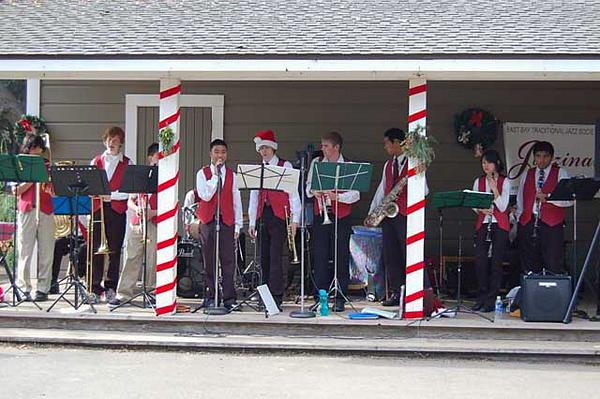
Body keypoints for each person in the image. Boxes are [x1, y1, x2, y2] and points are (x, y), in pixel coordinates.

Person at [367, 128, 428, 306]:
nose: (385, 147)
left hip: (406, 215)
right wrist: (373, 212)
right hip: (388, 215)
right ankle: (396, 292)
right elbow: (382, 189)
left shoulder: (414, 163)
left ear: (396, 143)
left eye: (387, 143)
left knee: (409, 254)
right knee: (391, 256)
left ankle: (418, 294)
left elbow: (424, 190)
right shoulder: (388, 165)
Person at [247, 130, 301, 310]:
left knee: (276, 257)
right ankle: (264, 295)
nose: (264, 151)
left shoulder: (285, 166)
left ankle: (276, 295)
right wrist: (253, 221)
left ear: (273, 148)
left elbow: (293, 194)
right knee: (264, 258)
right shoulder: (258, 168)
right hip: (264, 215)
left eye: (266, 148)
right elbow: (254, 196)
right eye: (261, 148)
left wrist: (295, 219)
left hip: (280, 215)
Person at [306, 131, 359, 312]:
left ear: (336, 147)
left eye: (326, 146)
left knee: (340, 256)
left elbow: (355, 195)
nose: (323, 149)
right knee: (319, 256)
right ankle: (320, 295)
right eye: (322, 145)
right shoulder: (316, 163)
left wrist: (336, 197)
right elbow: (307, 188)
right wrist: (315, 191)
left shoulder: (349, 165)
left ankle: (339, 296)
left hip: (341, 216)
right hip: (321, 214)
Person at [109, 143, 159, 308]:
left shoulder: (166, 177)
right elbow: (130, 200)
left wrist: (154, 212)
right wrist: (137, 208)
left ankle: (152, 292)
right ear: (150, 157)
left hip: (154, 222)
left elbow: (171, 204)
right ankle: (123, 294)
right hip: (137, 221)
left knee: (153, 259)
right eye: (157, 156)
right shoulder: (139, 174)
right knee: (131, 257)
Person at [195, 139, 243, 311]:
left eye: (223, 152)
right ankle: (211, 295)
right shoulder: (203, 173)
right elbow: (205, 196)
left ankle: (229, 297)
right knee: (209, 260)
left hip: (227, 220)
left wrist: (237, 225)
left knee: (228, 260)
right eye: (216, 152)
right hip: (208, 220)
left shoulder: (232, 175)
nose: (220, 155)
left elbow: (236, 201)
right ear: (211, 154)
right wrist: (215, 176)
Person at [89, 126, 133, 303]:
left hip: (117, 211)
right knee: (96, 250)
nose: (112, 143)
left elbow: (128, 190)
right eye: (109, 139)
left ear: (121, 142)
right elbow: (90, 185)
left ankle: (111, 287)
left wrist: (110, 195)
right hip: (98, 210)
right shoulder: (96, 161)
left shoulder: (128, 163)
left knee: (114, 250)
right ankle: (94, 288)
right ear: (104, 141)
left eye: (115, 140)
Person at [516, 141, 572, 274]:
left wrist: (548, 197)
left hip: (551, 223)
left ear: (551, 157)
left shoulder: (560, 173)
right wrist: (520, 218)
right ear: (534, 157)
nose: (541, 160)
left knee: (552, 261)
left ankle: (551, 292)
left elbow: (569, 199)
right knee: (528, 261)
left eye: (545, 156)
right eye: (538, 156)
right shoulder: (527, 174)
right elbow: (520, 198)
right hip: (529, 221)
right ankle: (531, 291)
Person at [13, 134, 55, 302]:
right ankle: (24, 288)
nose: (36, 151)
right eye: (33, 147)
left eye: (38, 147)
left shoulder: (47, 165)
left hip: (45, 210)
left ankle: (43, 288)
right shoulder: (19, 164)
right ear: (28, 148)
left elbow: (53, 190)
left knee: (46, 251)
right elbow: (16, 191)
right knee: (24, 251)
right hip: (27, 209)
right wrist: (32, 179)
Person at [471, 150, 510, 312]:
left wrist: (495, 189)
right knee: (480, 262)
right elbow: (473, 204)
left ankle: (491, 299)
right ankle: (481, 297)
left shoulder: (505, 181)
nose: (485, 165)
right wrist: (480, 209)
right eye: (483, 162)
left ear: (497, 164)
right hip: (483, 223)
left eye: (488, 162)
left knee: (496, 263)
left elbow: (502, 206)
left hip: (499, 225)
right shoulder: (478, 181)